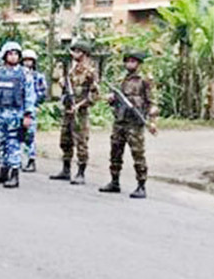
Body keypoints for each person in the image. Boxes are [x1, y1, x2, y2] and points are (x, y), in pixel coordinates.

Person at [99, 50, 158, 199]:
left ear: (138, 64)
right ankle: (114, 181)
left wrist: (152, 122)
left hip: (135, 123)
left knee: (138, 154)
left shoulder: (144, 80)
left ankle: (141, 185)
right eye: (128, 61)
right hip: (120, 121)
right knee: (115, 152)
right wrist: (111, 98)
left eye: (133, 61)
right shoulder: (121, 80)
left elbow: (152, 102)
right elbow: (115, 98)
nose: (130, 64)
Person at [0, 42, 37, 189]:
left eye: (16, 54)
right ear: (4, 56)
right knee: (0, 143)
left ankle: (14, 174)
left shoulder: (24, 74)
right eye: (10, 54)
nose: (13, 57)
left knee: (13, 143)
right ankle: (3, 171)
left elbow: (30, 95)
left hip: (16, 114)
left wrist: (28, 115)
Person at [50, 40, 99, 185]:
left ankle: (81, 172)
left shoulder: (90, 72)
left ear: (84, 54)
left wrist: (80, 105)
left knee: (81, 142)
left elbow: (94, 94)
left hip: (80, 112)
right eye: (74, 51)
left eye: (77, 51)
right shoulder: (71, 70)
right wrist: (63, 84)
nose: (74, 54)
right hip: (68, 110)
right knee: (65, 140)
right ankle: (66, 170)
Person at [21, 49, 48, 172]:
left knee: (29, 135)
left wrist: (34, 101)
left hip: (31, 108)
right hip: (18, 108)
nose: (27, 63)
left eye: (30, 60)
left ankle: (31, 160)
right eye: (25, 60)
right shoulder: (18, 74)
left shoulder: (38, 76)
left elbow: (43, 92)